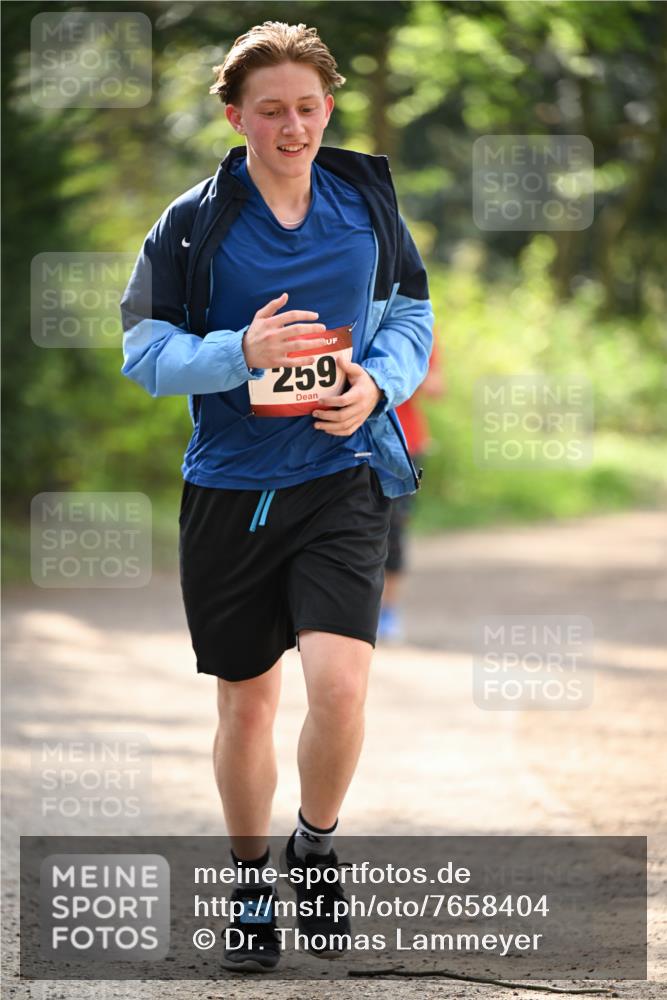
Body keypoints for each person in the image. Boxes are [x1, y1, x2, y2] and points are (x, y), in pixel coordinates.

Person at [120, 20, 433, 972]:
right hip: (228, 491)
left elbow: (412, 311)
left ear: (325, 110)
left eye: (306, 108)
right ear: (236, 117)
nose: (292, 126)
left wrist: (377, 383)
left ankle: (316, 844)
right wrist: (237, 353)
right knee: (247, 706)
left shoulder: (365, 202)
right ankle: (250, 881)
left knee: (339, 686)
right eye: (270, 111)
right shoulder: (193, 221)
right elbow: (143, 352)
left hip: (341, 480)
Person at [378, 341, 444, 643]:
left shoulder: (416, 320)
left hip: (405, 443)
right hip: (348, 441)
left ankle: (387, 612)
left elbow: (436, 386)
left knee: (394, 530)